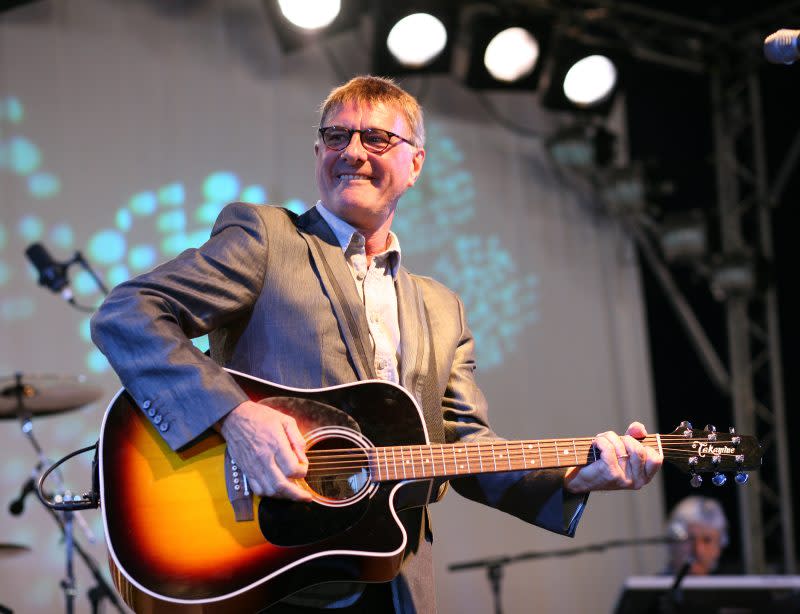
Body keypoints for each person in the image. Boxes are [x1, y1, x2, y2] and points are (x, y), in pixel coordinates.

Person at [90, 75, 662, 612]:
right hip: (270, 569)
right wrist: (237, 417)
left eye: (377, 137)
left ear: (415, 163)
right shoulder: (267, 238)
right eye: (336, 136)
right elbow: (128, 314)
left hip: (394, 579)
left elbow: (466, 450)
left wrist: (579, 475)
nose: (353, 151)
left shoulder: (442, 308)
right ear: (318, 153)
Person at [665, 496, 728, 576]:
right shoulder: (653, 587)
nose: (698, 550)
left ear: (719, 547)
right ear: (672, 543)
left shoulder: (729, 586)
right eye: (690, 539)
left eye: (707, 540)